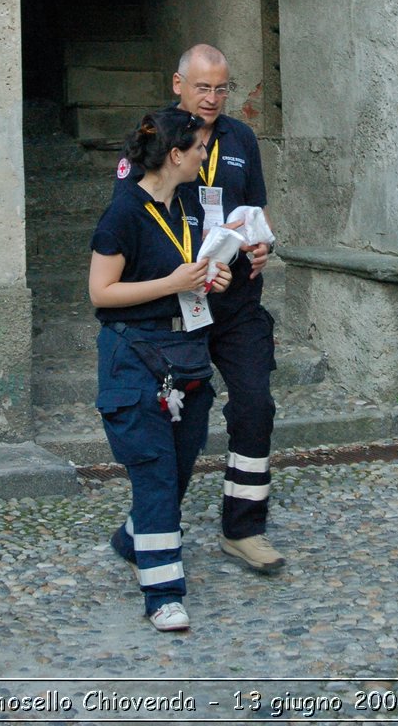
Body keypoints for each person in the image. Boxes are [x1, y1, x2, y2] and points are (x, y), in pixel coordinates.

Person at [114, 44, 284, 574]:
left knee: (256, 405)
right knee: (180, 428)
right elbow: (132, 215)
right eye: (202, 87)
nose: (212, 98)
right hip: (178, 309)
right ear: (178, 84)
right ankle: (148, 526)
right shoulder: (156, 138)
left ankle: (244, 529)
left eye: (221, 88)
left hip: (237, 305)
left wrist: (261, 246)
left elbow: (256, 213)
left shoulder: (241, 139)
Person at [90, 108, 232, 632]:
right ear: (175, 155)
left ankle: (134, 538)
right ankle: (163, 593)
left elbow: (189, 269)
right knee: (153, 475)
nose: (204, 155)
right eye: (198, 148)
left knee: (176, 469)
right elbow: (101, 293)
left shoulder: (191, 205)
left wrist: (208, 276)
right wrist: (173, 282)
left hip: (187, 353)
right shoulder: (123, 213)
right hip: (134, 359)